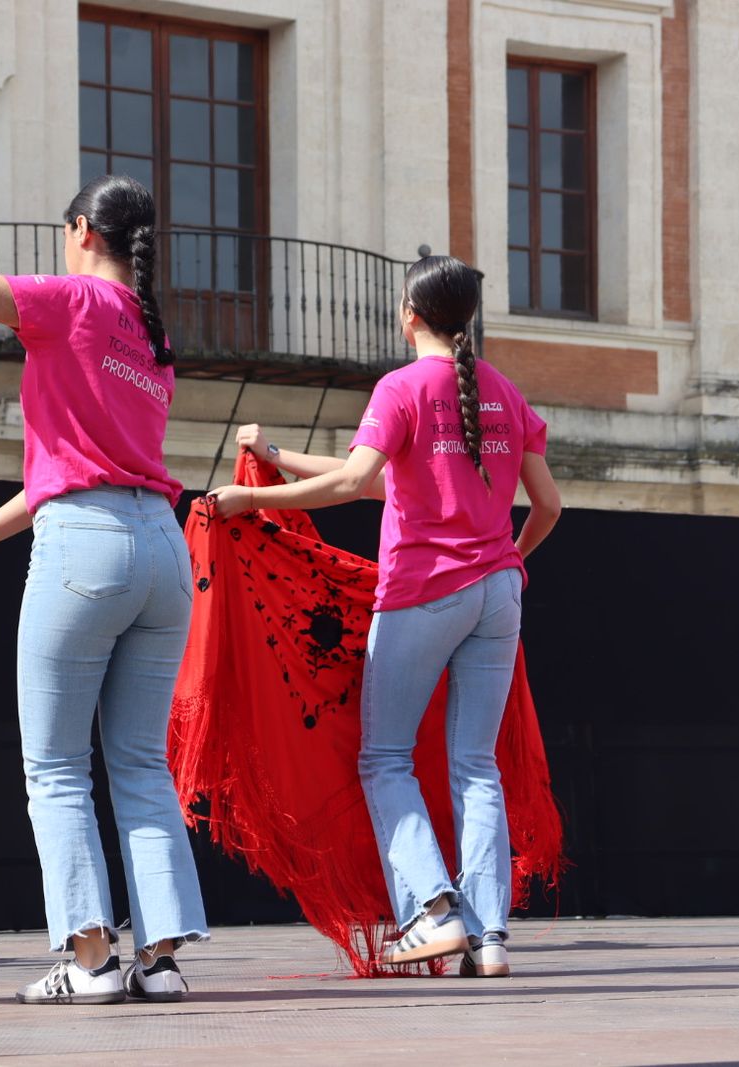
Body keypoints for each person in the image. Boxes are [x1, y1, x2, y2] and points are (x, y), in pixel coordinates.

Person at [0, 154, 207, 1005]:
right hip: (162, 549)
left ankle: (88, 960)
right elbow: (87, 467)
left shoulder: (76, 299)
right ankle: (159, 961)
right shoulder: (155, 345)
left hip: (85, 548)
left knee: (55, 767)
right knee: (139, 763)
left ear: (82, 235)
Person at [210, 255, 562, 976]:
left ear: (409, 313)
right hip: (499, 593)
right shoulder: (502, 392)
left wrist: (250, 499)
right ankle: (489, 937)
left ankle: (432, 908)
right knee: (476, 765)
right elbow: (545, 505)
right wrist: (510, 559)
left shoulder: (400, 387)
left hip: (424, 592)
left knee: (383, 755)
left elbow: (353, 480)